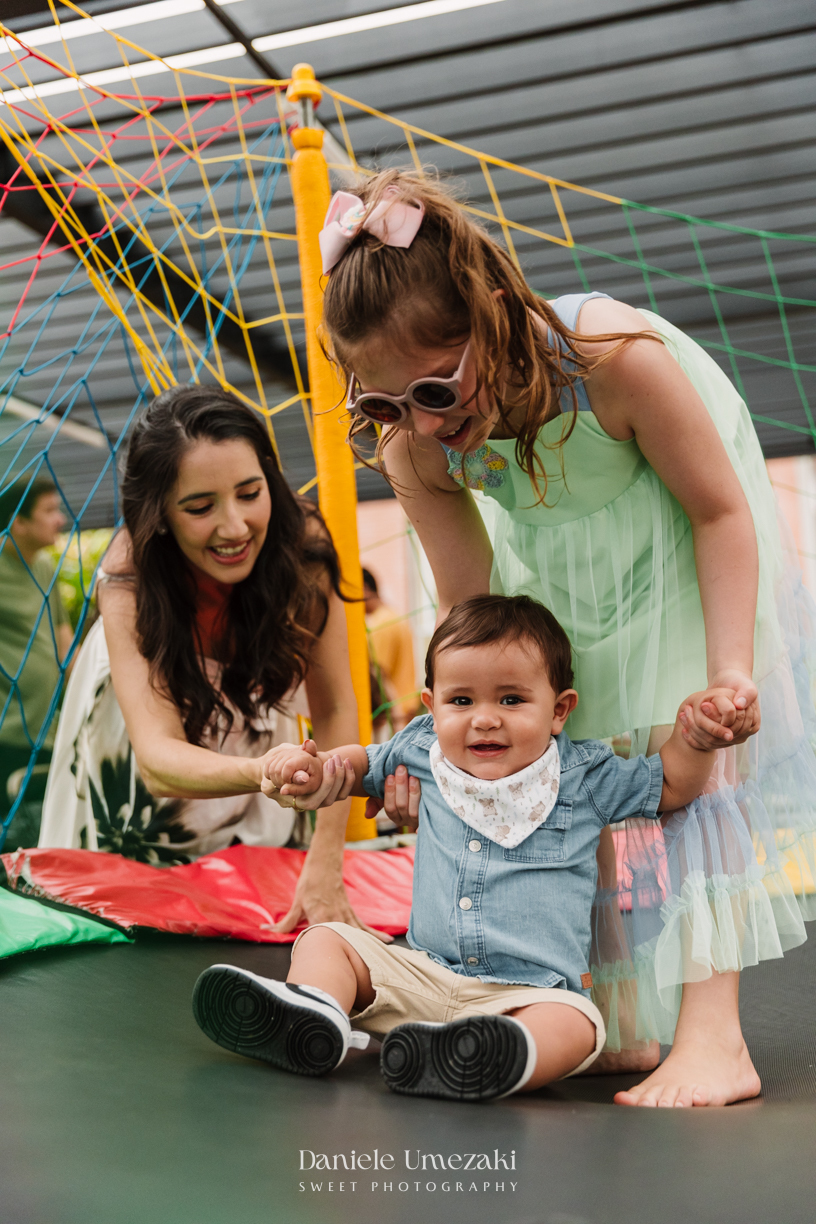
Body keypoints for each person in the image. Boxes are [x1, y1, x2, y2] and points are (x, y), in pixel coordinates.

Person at [315, 170, 816, 1107]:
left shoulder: (611, 359)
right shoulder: (416, 447)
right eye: (385, 406)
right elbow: (474, 618)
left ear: (495, 313)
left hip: (680, 534)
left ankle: (716, 1039)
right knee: (566, 757)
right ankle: (619, 1021)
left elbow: (719, 511)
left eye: (433, 387)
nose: (422, 424)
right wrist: (453, 761)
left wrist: (729, 671)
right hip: (554, 561)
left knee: (690, 753)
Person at [192, 595, 752, 1102]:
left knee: (579, 1024)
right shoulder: (421, 748)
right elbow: (358, 764)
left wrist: (694, 740)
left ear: (559, 710)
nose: (485, 717)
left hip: (527, 995)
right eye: (462, 700)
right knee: (328, 939)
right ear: (432, 706)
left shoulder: (584, 777)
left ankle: (489, 1057)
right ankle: (312, 1013)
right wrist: (315, 772)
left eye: (511, 699)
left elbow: (671, 785)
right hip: (422, 974)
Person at [39, 385, 386, 940]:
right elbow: (157, 762)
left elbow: (338, 705)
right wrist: (262, 773)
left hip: (252, 746)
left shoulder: (303, 549)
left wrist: (326, 863)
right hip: (142, 763)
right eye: (200, 507)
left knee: (266, 911)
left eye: (250, 493)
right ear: (159, 516)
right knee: (138, 923)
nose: (234, 527)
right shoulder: (128, 578)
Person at [0, 477, 71, 849]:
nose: (60, 519)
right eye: (49, 511)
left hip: (47, 730)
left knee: (40, 840)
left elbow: (63, 641)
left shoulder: (43, 567)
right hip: (5, 734)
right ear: (18, 522)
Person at [363, 566, 418, 732]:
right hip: (409, 708)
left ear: (363, 589)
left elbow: (379, 675)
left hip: (393, 717)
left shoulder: (379, 624)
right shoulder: (395, 616)